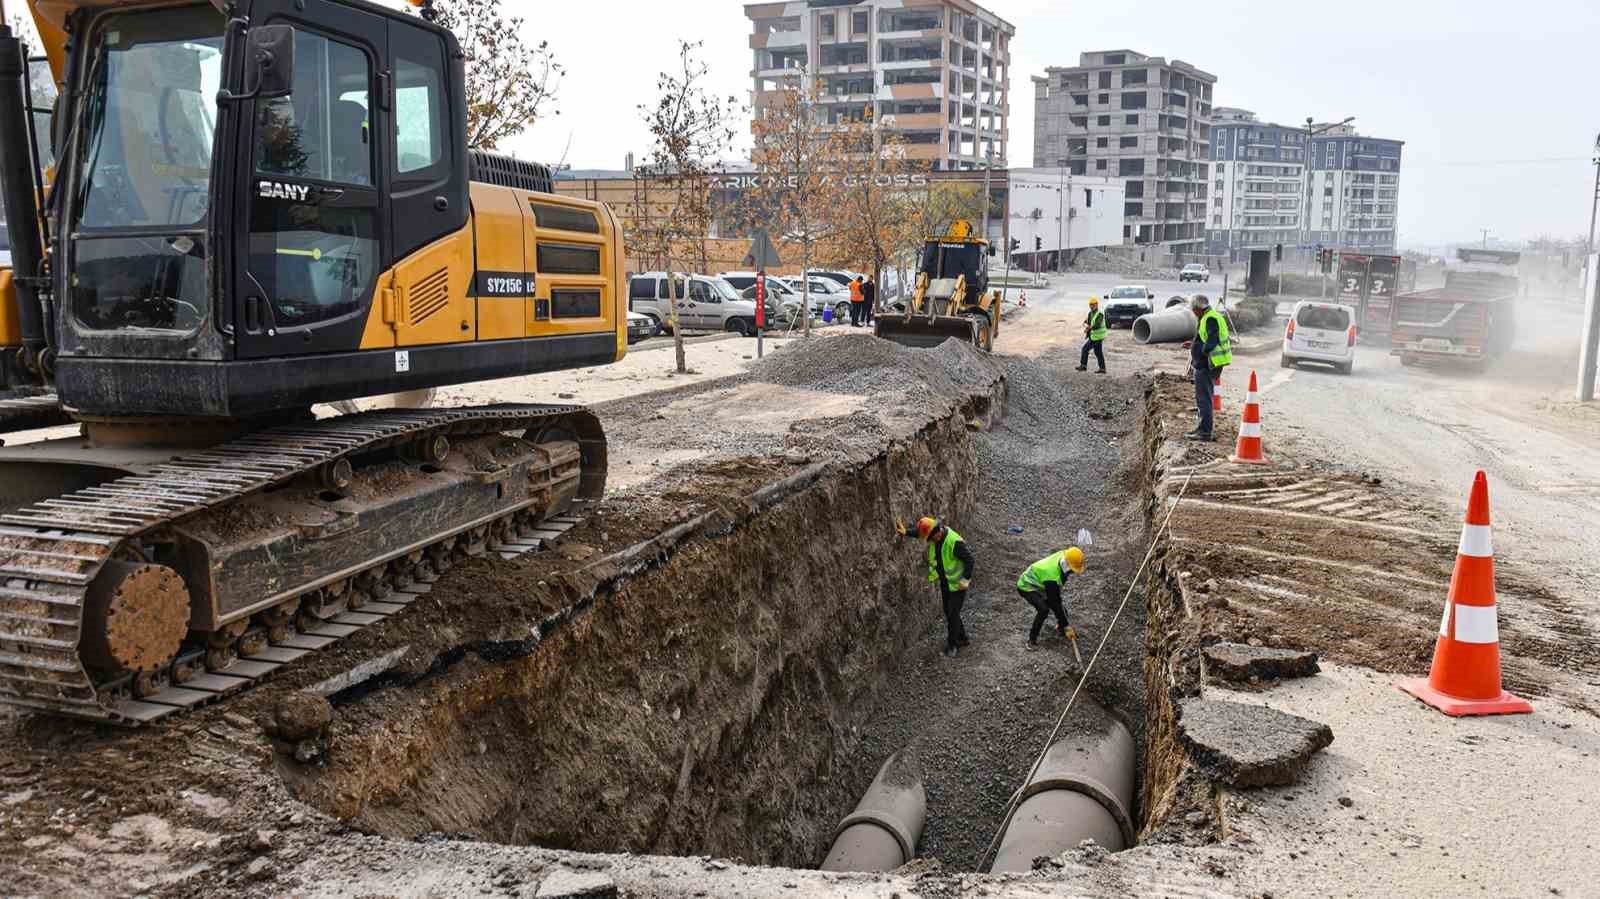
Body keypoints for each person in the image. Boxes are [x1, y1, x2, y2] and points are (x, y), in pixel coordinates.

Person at [897, 515, 975, 656]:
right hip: (946, 582)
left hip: (958, 585)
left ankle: (953, 645)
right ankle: (963, 638)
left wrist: (965, 579)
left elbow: (970, 560)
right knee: (950, 612)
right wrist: (907, 532)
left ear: (937, 532)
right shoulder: (935, 535)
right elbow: (921, 533)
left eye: (931, 538)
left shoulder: (954, 542)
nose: (930, 541)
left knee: (952, 614)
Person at [1185, 294, 1232, 441]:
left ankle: (1204, 432)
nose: (1193, 312)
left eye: (1193, 309)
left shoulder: (1210, 318)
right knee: (1204, 398)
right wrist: (1194, 345)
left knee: (1204, 399)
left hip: (1208, 365)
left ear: (1198, 308)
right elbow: (1206, 338)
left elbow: (1212, 340)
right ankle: (1202, 428)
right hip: (1209, 364)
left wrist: (1201, 354)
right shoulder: (1210, 316)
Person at [1016, 546, 1085, 645]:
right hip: (1027, 585)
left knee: (1061, 609)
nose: (1073, 572)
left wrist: (1064, 621)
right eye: (1073, 570)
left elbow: (1056, 599)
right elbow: (1054, 602)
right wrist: (1067, 625)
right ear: (1067, 565)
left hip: (1041, 584)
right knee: (1044, 609)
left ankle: (1061, 628)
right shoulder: (1052, 577)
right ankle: (1032, 640)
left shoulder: (1066, 555)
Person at [1076, 297, 1107, 373]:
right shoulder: (1090, 313)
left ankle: (1083, 366)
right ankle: (1102, 369)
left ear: (1097, 305)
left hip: (1097, 337)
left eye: (1093, 305)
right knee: (1098, 353)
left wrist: (1089, 328)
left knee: (1085, 349)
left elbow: (1097, 325)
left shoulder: (1100, 313)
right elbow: (1090, 322)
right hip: (1094, 336)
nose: (1092, 306)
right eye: (1090, 305)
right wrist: (1086, 322)